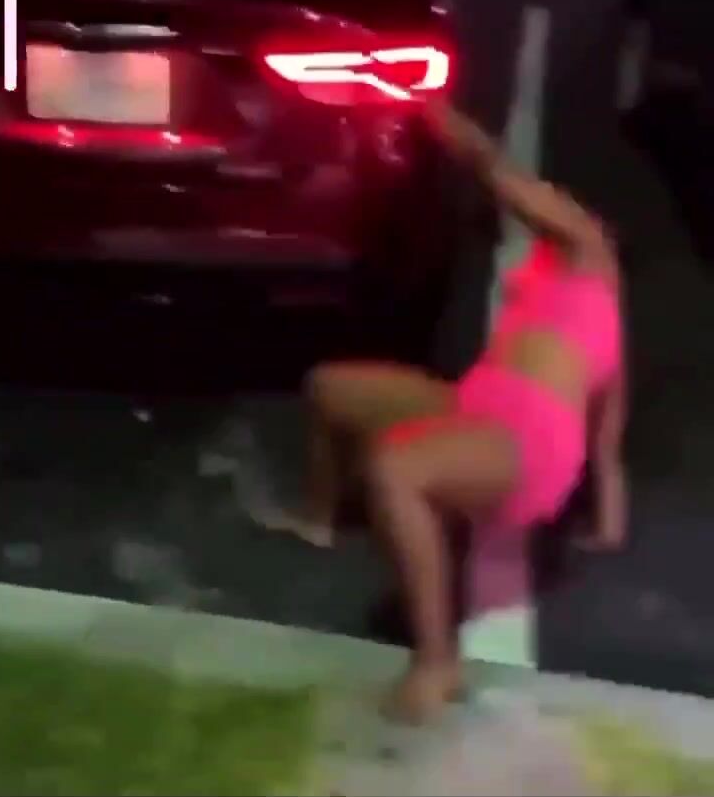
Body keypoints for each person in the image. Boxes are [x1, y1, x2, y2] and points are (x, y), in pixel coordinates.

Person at [253, 100, 628, 723]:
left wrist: (433, 110)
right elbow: (609, 441)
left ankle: (436, 661)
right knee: (331, 389)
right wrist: (608, 522)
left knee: (395, 470)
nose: (552, 204)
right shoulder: (583, 302)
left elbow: (493, 169)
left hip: (525, 442)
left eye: (562, 201)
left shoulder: (587, 247)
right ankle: (319, 520)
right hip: (476, 406)